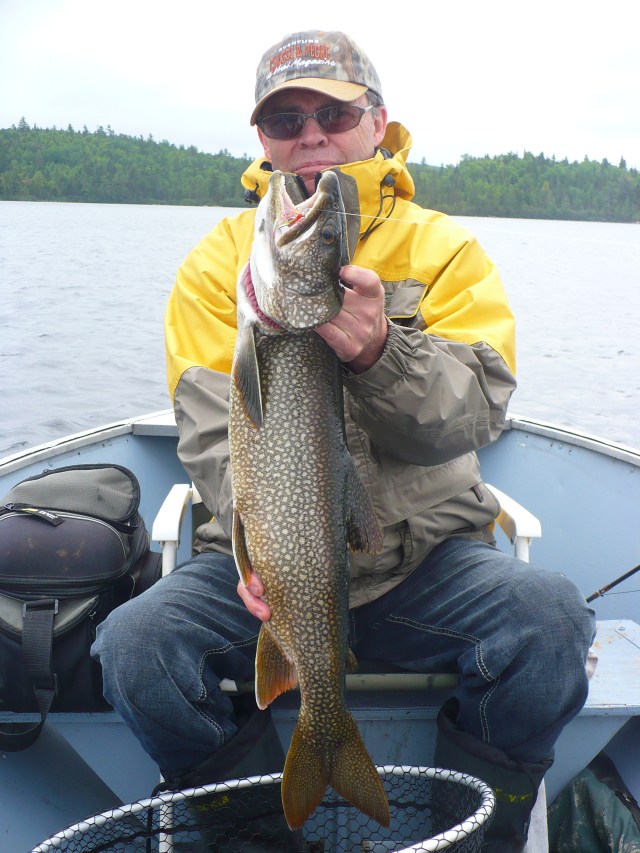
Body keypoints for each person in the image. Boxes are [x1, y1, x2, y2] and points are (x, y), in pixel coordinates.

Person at [92, 30, 596, 851]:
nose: (311, 132)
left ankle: (469, 840)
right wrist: (262, 558)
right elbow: (214, 433)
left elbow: (476, 411)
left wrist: (378, 348)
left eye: (333, 110)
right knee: (137, 648)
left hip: (425, 563)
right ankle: (260, 838)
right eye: (286, 118)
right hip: (264, 568)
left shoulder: (446, 250)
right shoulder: (219, 262)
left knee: (550, 623)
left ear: (378, 120)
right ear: (262, 139)